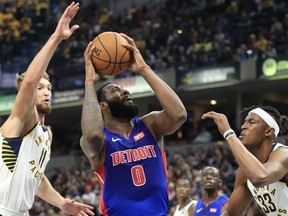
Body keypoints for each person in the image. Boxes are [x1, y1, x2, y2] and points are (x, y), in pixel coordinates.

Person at [0, 2, 94, 216]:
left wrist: (61, 203)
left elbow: (38, 178)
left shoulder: (47, 134)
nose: (46, 92)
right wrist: (56, 37)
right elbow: (30, 83)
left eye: (49, 88)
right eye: (41, 88)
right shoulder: (21, 121)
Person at [80, 33, 187, 216]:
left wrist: (144, 68)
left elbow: (178, 115)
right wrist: (89, 82)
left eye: (123, 89)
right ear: (102, 106)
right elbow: (92, 135)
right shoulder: (102, 141)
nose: (125, 91)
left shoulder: (150, 125)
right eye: (116, 90)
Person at [202, 105, 288, 215]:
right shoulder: (245, 171)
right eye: (244, 122)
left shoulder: (284, 154)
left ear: (269, 131)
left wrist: (228, 133)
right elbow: (231, 213)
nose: (243, 126)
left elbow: (260, 177)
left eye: (251, 122)